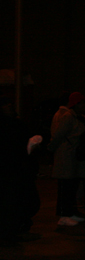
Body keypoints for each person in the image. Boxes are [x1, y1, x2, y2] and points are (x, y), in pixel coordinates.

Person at [0, 96, 41, 246]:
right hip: (14, 172)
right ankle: (13, 232)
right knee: (16, 203)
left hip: (14, 171)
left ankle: (12, 231)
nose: (10, 106)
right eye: (6, 104)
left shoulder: (13, 125)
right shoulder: (12, 126)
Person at [47, 92, 85, 227]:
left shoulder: (68, 116)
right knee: (66, 186)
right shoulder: (68, 116)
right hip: (66, 155)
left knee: (69, 185)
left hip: (68, 154)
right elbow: (59, 135)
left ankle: (69, 212)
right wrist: (51, 148)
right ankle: (65, 214)